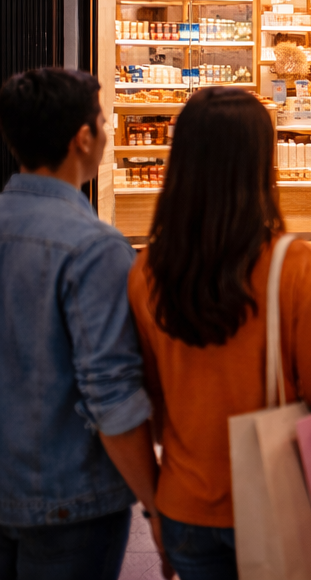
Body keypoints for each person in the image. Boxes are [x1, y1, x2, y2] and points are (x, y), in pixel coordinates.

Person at [128, 87, 311, 580]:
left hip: (184, 505)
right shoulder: (295, 264)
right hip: (274, 496)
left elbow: (149, 400)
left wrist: (154, 507)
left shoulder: (146, 271)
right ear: (262, 164)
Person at [0, 68, 168, 579]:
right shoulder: (94, 248)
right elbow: (112, 396)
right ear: (83, 138)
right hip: (70, 500)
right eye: (103, 121)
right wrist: (156, 504)